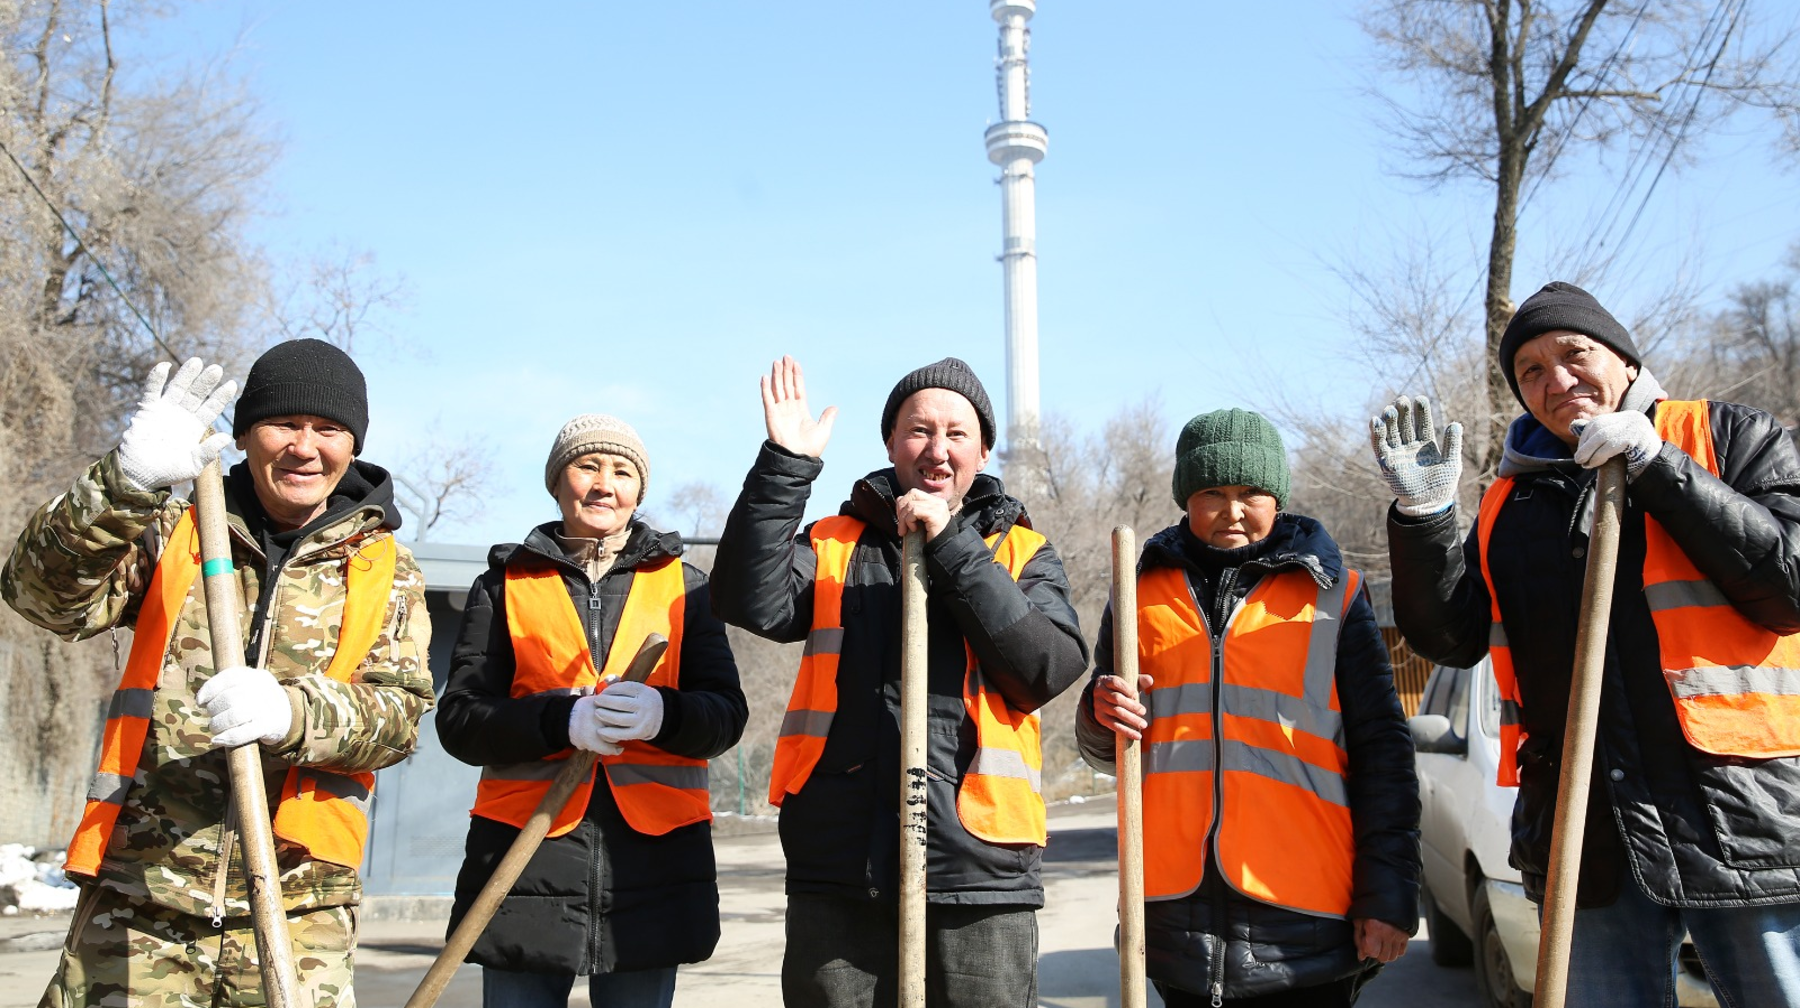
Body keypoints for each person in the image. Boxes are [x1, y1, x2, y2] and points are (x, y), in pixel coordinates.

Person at [1373, 281, 1800, 1006]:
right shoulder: (1514, 501)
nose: (1556, 381)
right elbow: (1451, 637)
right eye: (1531, 372)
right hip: (1584, 831)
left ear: (1626, 361)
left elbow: (1788, 587)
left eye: (1575, 355)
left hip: (1740, 817)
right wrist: (1425, 520)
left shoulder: (1728, 438)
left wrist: (1660, 468)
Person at [2, 340, 434, 1008]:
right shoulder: (172, 530)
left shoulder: (384, 566)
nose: (304, 447)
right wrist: (125, 482)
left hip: (300, 907)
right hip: (142, 895)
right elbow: (40, 595)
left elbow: (400, 718)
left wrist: (296, 715)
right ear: (242, 435)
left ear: (352, 446)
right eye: (283, 424)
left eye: (328, 429)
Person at [709, 355, 1087, 1007]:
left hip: (980, 867)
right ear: (891, 442)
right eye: (919, 430)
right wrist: (784, 466)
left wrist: (951, 545)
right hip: (839, 863)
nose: (937, 449)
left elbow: (1044, 669)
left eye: (956, 433)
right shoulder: (834, 542)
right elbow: (747, 598)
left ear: (984, 449)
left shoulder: (1023, 552)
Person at [1077, 408, 1419, 1008]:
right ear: (1187, 496)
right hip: (1172, 917)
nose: (1232, 511)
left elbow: (1383, 752)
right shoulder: (1135, 594)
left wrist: (1387, 895)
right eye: (1212, 492)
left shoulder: (1336, 593)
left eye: (1251, 493)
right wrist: (1098, 715)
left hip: (1305, 916)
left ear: (1278, 496)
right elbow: (1108, 751)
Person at [437, 413, 746, 1008]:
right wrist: (558, 721)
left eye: (622, 471)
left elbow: (726, 713)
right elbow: (460, 720)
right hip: (523, 863)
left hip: (653, 867)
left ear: (638, 492)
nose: (605, 484)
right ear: (558, 482)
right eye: (588, 466)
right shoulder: (504, 585)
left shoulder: (688, 588)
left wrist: (665, 715)